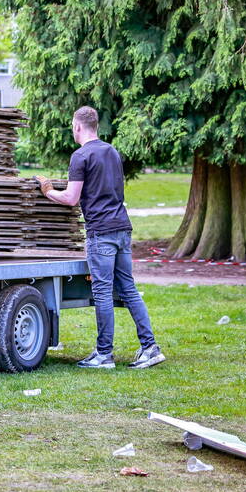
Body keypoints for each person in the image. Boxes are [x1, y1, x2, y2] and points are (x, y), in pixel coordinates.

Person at [36, 106, 165, 370]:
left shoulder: (80, 156)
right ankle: (150, 348)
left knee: (103, 292)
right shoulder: (112, 152)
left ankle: (104, 354)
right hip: (122, 228)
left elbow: (71, 198)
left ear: (78, 126)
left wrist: (48, 190)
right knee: (128, 289)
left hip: (101, 233)